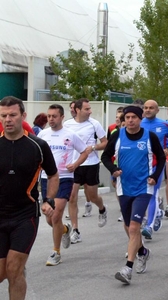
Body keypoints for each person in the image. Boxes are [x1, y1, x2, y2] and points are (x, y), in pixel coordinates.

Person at [0, 96, 59, 299]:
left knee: (14, 268)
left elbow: (53, 175)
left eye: (12, 115)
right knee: (2, 272)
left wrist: (49, 200)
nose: (8, 119)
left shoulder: (38, 145)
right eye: (3, 116)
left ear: (23, 116)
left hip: (25, 215)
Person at [101, 105, 166, 285]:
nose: (130, 120)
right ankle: (142, 252)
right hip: (124, 188)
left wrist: (154, 176)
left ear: (140, 119)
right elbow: (105, 157)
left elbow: (161, 158)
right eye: (127, 117)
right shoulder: (117, 136)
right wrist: (113, 170)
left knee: (134, 227)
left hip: (144, 188)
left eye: (133, 117)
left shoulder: (149, 137)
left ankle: (127, 268)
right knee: (129, 226)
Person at [38, 104, 89, 266]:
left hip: (65, 178)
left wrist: (75, 165)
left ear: (61, 117)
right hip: (46, 179)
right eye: (49, 116)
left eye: (54, 116)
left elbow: (85, 151)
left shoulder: (70, 135)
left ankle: (55, 252)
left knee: (56, 213)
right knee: (50, 219)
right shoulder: (43, 135)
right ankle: (65, 230)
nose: (51, 119)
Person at [63, 98, 108, 244]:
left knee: (93, 196)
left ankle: (102, 209)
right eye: (87, 109)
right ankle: (75, 230)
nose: (90, 111)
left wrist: (93, 148)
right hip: (73, 165)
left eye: (90, 109)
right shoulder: (67, 124)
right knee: (72, 196)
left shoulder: (94, 124)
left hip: (90, 163)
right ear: (77, 110)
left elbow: (105, 142)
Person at [140, 99, 168, 239]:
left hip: (157, 164)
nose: (148, 110)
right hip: (140, 165)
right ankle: (157, 213)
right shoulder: (139, 124)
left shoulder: (164, 124)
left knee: (151, 193)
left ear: (157, 110)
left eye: (151, 108)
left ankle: (149, 226)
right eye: (145, 108)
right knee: (142, 194)